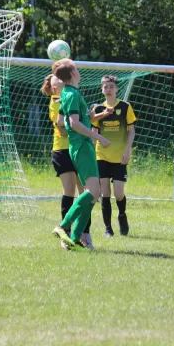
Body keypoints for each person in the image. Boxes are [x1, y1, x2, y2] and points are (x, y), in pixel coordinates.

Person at [50, 59, 111, 251]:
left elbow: (67, 120)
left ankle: (75, 239)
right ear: (73, 74)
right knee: (92, 192)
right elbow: (74, 123)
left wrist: (96, 116)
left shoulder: (68, 93)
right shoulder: (71, 94)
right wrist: (97, 137)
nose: (78, 70)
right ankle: (63, 226)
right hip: (82, 147)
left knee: (94, 195)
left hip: (80, 146)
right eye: (76, 68)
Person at [91, 75, 137, 237]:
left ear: (116, 89)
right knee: (105, 193)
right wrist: (92, 154)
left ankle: (122, 215)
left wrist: (127, 150)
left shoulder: (125, 107)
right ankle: (108, 229)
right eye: (105, 86)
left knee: (118, 193)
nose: (108, 89)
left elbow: (131, 132)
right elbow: (95, 133)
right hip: (101, 156)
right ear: (102, 89)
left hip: (120, 157)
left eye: (111, 86)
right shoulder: (97, 110)